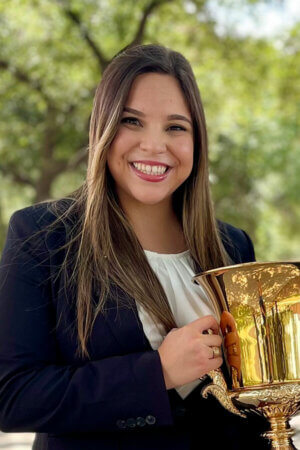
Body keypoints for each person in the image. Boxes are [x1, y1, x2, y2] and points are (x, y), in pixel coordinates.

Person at [0, 44, 269, 450]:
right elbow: (13, 397)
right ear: (103, 128)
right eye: (132, 121)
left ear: (197, 140)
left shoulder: (232, 245)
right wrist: (156, 372)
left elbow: (250, 407)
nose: (154, 145)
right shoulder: (41, 236)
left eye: (176, 127)